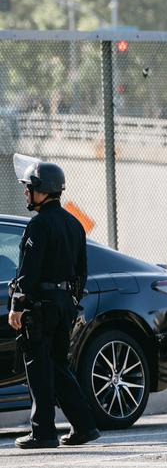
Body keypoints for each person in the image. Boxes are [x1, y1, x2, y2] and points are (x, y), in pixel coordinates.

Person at [9, 155, 99, 449]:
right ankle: (84, 426)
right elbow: (82, 270)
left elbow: (28, 272)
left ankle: (43, 432)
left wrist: (17, 306)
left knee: (38, 368)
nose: (26, 193)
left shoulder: (38, 226)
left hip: (42, 305)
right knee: (60, 367)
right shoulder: (74, 224)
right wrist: (71, 302)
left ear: (43, 190)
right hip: (65, 303)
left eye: (29, 188)